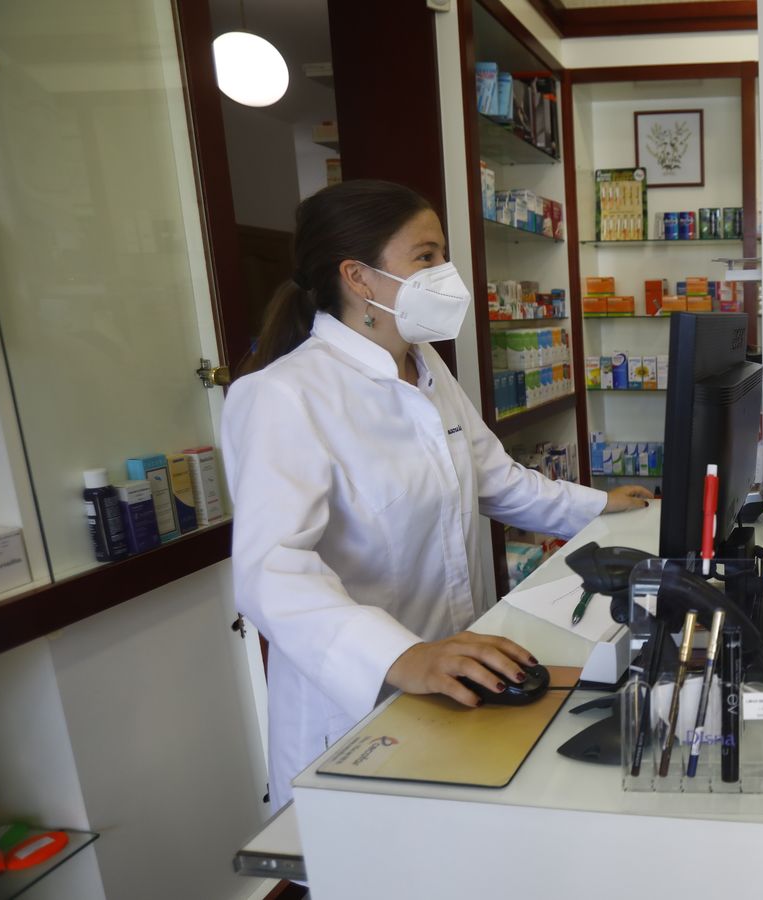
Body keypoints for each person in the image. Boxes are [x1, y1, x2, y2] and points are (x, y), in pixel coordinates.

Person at [223, 180, 652, 810]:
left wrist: (599, 505)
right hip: (358, 701)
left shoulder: (424, 364)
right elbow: (271, 573)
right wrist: (402, 656)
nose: (445, 274)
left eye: (442, 255)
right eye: (425, 257)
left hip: (457, 671)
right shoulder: (284, 394)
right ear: (359, 278)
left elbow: (494, 479)